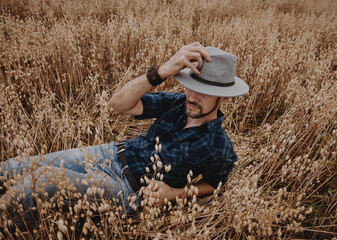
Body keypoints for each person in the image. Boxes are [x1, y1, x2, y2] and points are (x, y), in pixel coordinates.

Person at [0, 42, 249, 229]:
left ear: (225, 98)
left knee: (38, 184)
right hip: (108, 152)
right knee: (11, 169)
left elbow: (216, 184)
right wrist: (160, 72)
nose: (193, 96)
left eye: (204, 92)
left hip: (125, 188)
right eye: (192, 86)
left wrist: (173, 194)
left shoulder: (219, 146)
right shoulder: (176, 103)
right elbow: (119, 104)